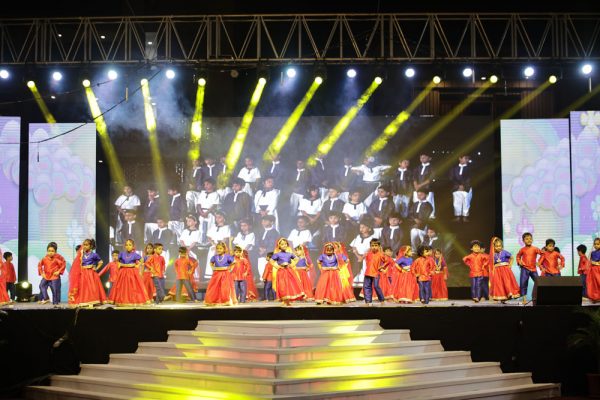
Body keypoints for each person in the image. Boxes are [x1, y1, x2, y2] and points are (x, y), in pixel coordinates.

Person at [110, 239, 150, 306]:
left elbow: (142, 260)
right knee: (123, 287)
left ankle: (132, 300)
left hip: (132, 272)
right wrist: (120, 264)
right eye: (126, 245)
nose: (128, 246)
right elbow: (117, 261)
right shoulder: (122, 254)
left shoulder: (135, 254)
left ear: (133, 246)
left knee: (133, 287)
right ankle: (123, 300)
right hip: (123, 272)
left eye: (130, 245)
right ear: (125, 246)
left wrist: (138, 265)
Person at [68, 239, 106, 306]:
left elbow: (101, 262)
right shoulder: (81, 255)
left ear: (90, 246)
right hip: (83, 273)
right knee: (84, 288)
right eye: (84, 245)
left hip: (91, 273)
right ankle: (85, 301)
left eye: (86, 245)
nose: (85, 246)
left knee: (92, 287)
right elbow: (78, 264)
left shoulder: (94, 255)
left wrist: (96, 268)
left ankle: (93, 301)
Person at [270, 238, 305, 306]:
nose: (284, 245)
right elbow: (271, 261)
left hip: (289, 271)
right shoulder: (277, 254)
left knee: (289, 285)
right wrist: (277, 266)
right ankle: (284, 300)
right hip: (281, 272)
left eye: (285, 244)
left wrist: (292, 265)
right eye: (282, 244)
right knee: (282, 286)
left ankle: (287, 301)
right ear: (279, 246)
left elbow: (297, 259)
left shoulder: (289, 254)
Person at [489, 237, 520, 302]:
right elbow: (491, 263)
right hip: (497, 271)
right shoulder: (493, 254)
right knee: (499, 284)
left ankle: (508, 294)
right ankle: (502, 297)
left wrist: (510, 265)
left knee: (506, 282)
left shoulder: (504, 252)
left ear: (502, 246)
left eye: (500, 246)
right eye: (496, 246)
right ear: (494, 247)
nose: (498, 247)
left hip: (505, 270)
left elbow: (512, 258)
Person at [204, 211, 232, 279]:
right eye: (216, 217)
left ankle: (220, 276)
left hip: (222, 246)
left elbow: (225, 238)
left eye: (219, 217)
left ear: (224, 218)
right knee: (211, 257)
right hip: (214, 245)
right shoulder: (213, 227)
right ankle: (210, 276)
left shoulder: (227, 227)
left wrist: (218, 246)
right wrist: (214, 244)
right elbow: (209, 237)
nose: (217, 219)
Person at [516, 232, 542, 302]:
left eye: (530, 239)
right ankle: (524, 299)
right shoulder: (522, 249)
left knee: (538, 282)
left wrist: (539, 262)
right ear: (523, 240)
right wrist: (519, 261)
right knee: (523, 283)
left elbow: (542, 254)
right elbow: (518, 256)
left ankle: (539, 297)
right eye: (527, 239)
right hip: (525, 268)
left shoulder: (535, 248)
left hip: (533, 269)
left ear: (532, 239)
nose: (529, 240)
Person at [195, 178, 220, 244]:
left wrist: (206, 213)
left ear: (213, 185)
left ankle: (209, 242)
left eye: (208, 184)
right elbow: (198, 204)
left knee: (209, 227)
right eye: (205, 184)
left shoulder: (215, 194)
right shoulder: (202, 193)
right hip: (202, 212)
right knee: (201, 228)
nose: (205, 186)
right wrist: (201, 213)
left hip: (210, 213)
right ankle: (201, 241)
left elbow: (214, 205)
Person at [362, 239, 387, 305]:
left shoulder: (381, 254)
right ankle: (368, 302)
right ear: (370, 246)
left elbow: (387, 261)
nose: (374, 247)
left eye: (376, 245)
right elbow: (367, 262)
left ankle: (382, 299)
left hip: (376, 273)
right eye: (372, 245)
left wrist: (382, 267)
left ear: (379, 246)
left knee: (376, 286)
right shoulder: (368, 254)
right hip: (368, 272)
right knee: (366, 287)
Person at [449, 155, 472, 222]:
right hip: (456, 188)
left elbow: (470, 177)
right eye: (465, 158)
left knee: (466, 203)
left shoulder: (470, 168)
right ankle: (457, 217)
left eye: (468, 158)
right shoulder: (454, 168)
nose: (467, 160)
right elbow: (451, 177)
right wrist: (459, 186)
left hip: (466, 188)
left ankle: (465, 217)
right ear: (460, 158)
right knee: (456, 203)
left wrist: (464, 185)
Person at [412, 153, 436, 218]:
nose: (422, 158)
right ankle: (416, 216)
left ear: (429, 158)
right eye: (421, 157)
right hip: (417, 188)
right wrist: (416, 185)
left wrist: (420, 185)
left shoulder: (432, 167)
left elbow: (431, 179)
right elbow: (414, 177)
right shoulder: (417, 167)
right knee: (416, 201)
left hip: (427, 188)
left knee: (428, 202)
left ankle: (430, 216)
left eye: (424, 157)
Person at [587, 238, 600, 303]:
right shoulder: (592, 253)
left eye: (598, 244)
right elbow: (590, 260)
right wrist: (592, 262)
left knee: (598, 283)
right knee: (593, 284)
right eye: (595, 244)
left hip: (598, 270)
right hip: (592, 270)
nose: (596, 245)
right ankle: (594, 298)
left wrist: (596, 263)